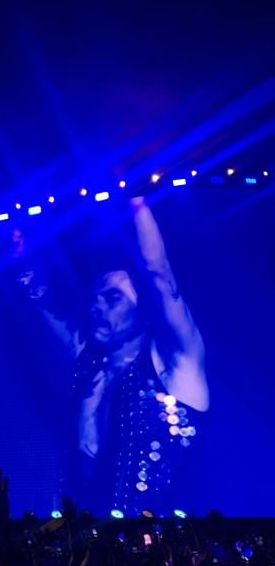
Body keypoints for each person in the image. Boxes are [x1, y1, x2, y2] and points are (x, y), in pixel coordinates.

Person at [14, 197, 208, 514]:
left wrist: (137, 200)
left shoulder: (175, 364)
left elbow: (160, 275)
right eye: (96, 299)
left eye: (112, 298)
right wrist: (25, 264)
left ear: (144, 308)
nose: (96, 307)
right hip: (92, 538)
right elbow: (42, 304)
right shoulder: (90, 364)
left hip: (163, 544)